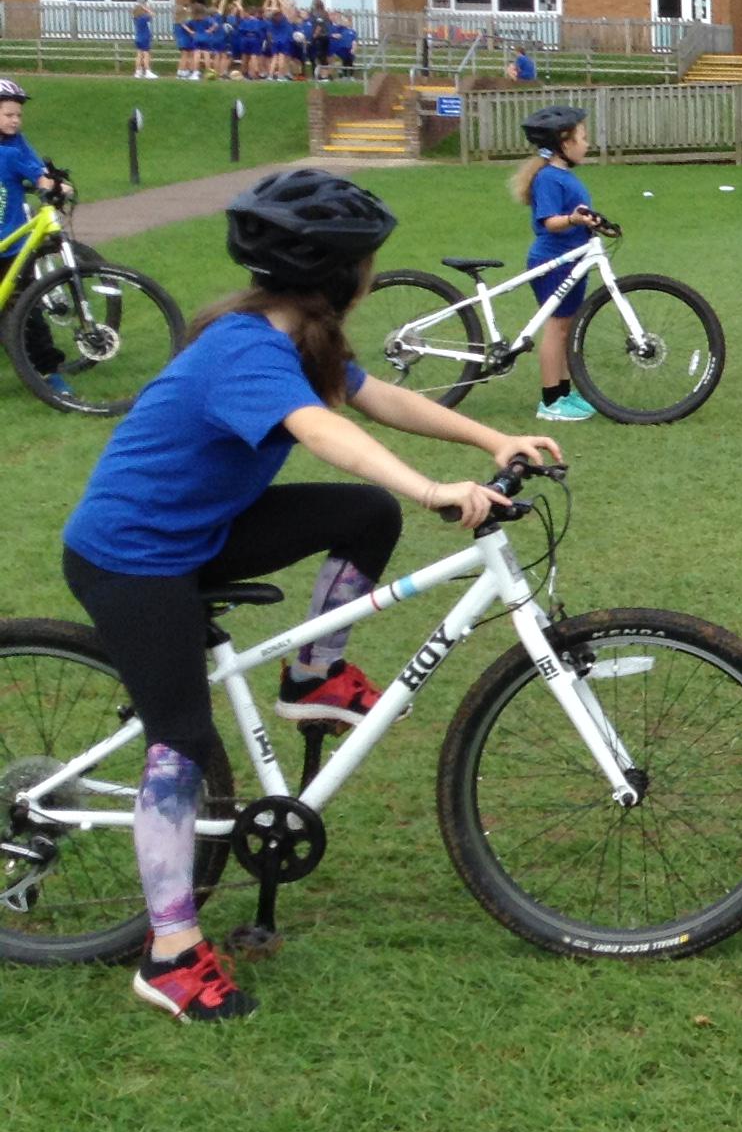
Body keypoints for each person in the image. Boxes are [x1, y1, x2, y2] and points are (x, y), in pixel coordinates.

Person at [58, 169, 562, 1022]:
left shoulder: (303, 337)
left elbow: (378, 398)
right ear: (339, 273)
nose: (373, 273)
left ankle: (313, 676)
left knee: (364, 514)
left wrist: (491, 435)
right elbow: (322, 430)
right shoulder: (245, 348)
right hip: (134, 556)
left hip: (203, 528)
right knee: (181, 742)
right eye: (368, 261)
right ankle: (170, 954)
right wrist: (429, 489)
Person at [515, 104, 605, 423]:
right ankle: (551, 401)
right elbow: (550, 221)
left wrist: (591, 221)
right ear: (564, 144)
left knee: (566, 328)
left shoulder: (562, 176)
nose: (587, 143)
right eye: (583, 137)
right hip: (554, 260)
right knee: (556, 328)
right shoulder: (549, 178)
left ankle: (564, 392)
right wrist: (573, 219)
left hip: (572, 259)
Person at [0, 77, 73, 397]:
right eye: (8, 114)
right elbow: (37, 176)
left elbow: (37, 171)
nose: (15, 120)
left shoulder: (16, 144)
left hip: (12, 245)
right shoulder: (9, 154)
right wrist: (57, 186)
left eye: (18, 114)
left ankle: (47, 370)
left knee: (28, 311)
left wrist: (50, 181)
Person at [131, 3, 156, 80]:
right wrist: (146, 9)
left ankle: (138, 72)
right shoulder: (143, 18)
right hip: (144, 38)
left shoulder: (135, 18)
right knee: (146, 55)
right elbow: (153, 14)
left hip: (138, 38)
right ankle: (147, 71)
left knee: (139, 55)